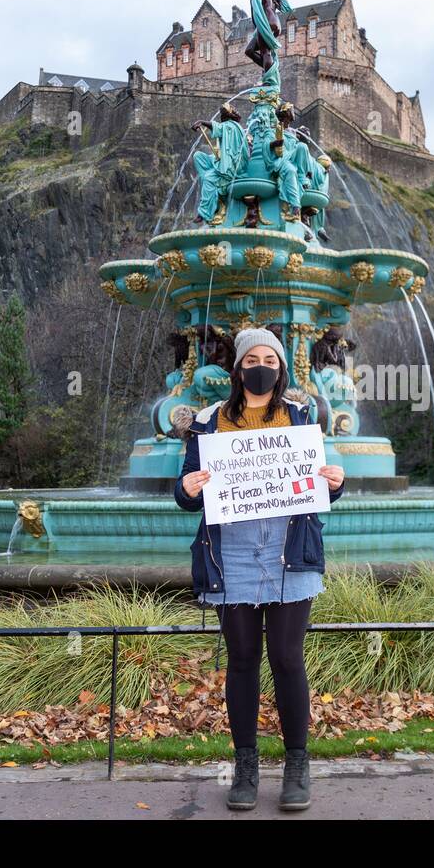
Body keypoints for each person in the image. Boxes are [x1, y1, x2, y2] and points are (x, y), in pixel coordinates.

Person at [173, 327, 345, 812]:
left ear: (281, 366)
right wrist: (187, 489)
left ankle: (297, 764)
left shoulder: (300, 414)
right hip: (231, 549)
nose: (261, 366)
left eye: (270, 358)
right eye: (252, 360)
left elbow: (319, 485)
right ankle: (245, 768)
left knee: (288, 657)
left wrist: (335, 483)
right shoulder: (208, 422)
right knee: (243, 658)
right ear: (238, 369)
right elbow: (186, 497)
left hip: (289, 546)